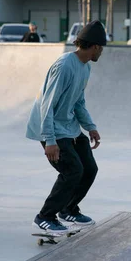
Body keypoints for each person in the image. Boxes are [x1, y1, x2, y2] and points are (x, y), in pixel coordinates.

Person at [26, 21, 105, 235]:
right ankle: (44, 217)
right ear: (95, 46)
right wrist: (49, 140)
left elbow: (78, 101)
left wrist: (90, 127)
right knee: (72, 171)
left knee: (89, 169)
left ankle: (68, 210)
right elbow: (47, 104)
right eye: (102, 48)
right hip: (50, 127)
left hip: (68, 125)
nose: (102, 53)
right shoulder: (64, 66)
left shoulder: (85, 66)